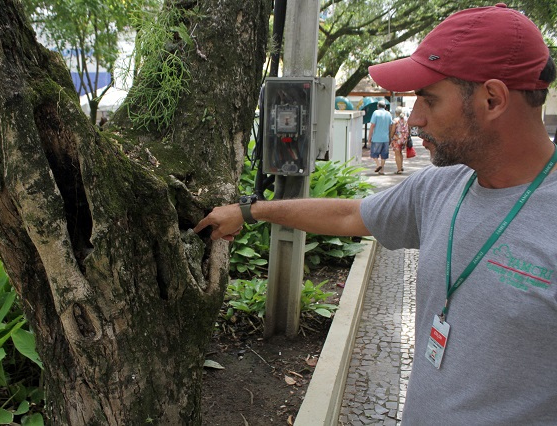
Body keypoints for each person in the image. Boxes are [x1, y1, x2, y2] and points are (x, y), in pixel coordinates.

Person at [195, 4, 557, 424]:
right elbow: (350, 215)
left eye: (429, 98)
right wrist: (249, 211)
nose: (415, 117)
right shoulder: (442, 185)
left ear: (493, 98)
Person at [368, 99, 393, 174]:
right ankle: (382, 170)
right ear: (385, 106)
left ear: (378, 106)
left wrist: (369, 136)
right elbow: (390, 126)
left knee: (374, 153)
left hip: (376, 138)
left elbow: (372, 125)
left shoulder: (375, 113)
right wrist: (390, 136)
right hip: (385, 138)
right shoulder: (388, 114)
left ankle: (378, 164)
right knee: (384, 155)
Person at [390, 106, 409, 173]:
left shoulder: (396, 120)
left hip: (397, 139)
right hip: (404, 138)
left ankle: (399, 169)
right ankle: (401, 166)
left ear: (396, 113)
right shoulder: (406, 119)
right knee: (400, 153)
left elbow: (393, 130)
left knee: (397, 154)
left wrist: (391, 137)